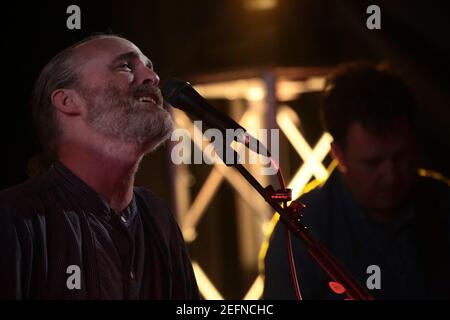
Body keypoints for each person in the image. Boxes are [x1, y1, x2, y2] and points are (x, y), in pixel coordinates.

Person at [0, 34, 199, 299]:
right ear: (68, 101)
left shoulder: (156, 217)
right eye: (126, 66)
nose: (152, 77)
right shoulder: (14, 217)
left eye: (149, 65)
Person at [264, 61, 450, 300]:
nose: (390, 175)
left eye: (401, 156)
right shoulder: (301, 232)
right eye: (373, 163)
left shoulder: (443, 205)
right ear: (338, 154)